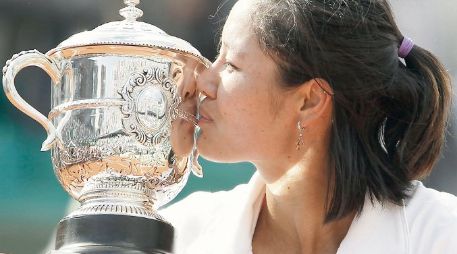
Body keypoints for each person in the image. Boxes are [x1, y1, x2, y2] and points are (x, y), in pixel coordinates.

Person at [160, 0, 456, 253]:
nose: (203, 81)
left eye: (232, 65)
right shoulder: (178, 236)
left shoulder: (440, 237)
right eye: (217, 55)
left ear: (310, 101)